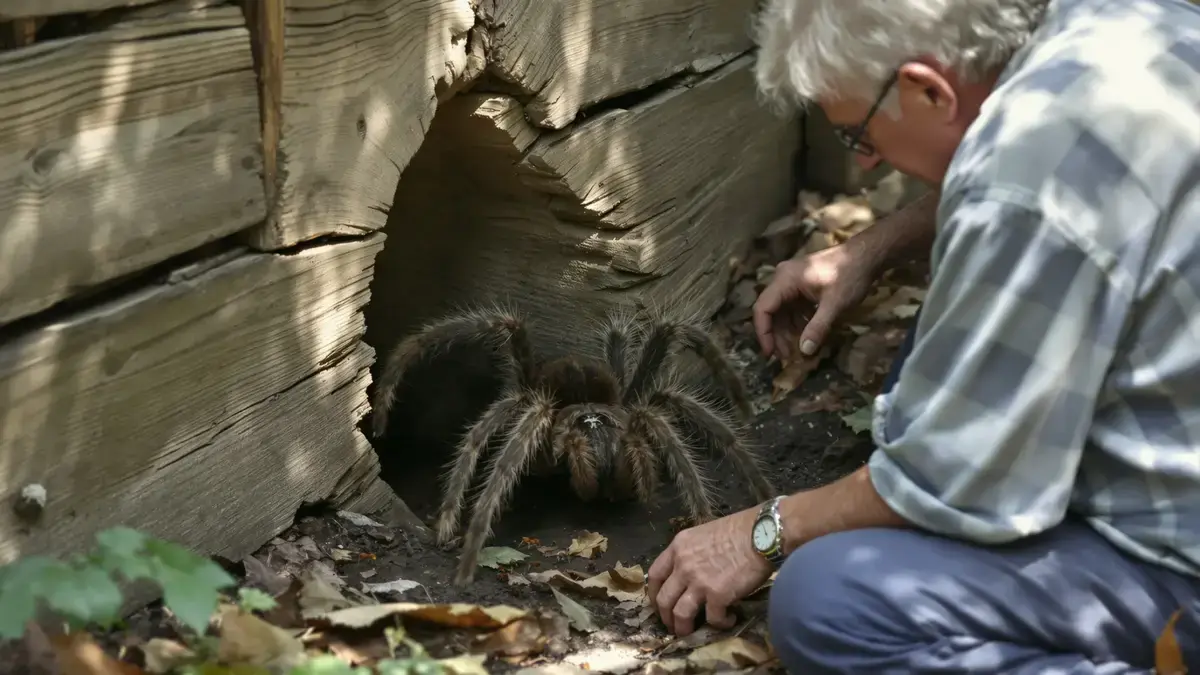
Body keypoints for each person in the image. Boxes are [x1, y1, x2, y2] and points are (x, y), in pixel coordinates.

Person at [645, 0, 1200, 672]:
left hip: (1178, 559)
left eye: (859, 137)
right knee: (924, 364)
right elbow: (1058, 181)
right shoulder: (1123, 20)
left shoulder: (1021, 183)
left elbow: (950, 483)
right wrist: (872, 249)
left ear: (927, 90)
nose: (871, 167)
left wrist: (761, 530)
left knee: (829, 601)